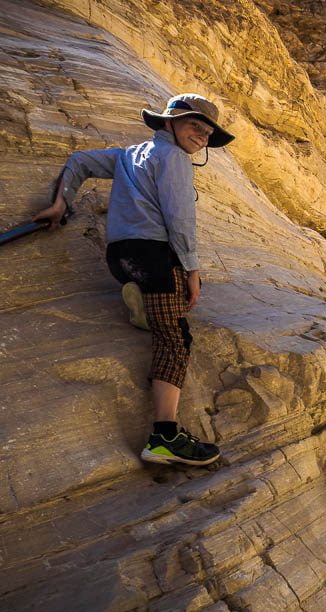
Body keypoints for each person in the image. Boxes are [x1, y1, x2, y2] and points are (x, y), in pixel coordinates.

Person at [33, 94, 234, 466]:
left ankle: (144, 307)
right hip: (156, 256)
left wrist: (62, 202)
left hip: (121, 257)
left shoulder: (128, 155)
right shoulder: (174, 158)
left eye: (207, 133)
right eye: (195, 126)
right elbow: (180, 220)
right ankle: (165, 436)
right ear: (169, 123)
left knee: (161, 313)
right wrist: (192, 271)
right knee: (175, 337)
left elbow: (79, 162)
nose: (202, 137)